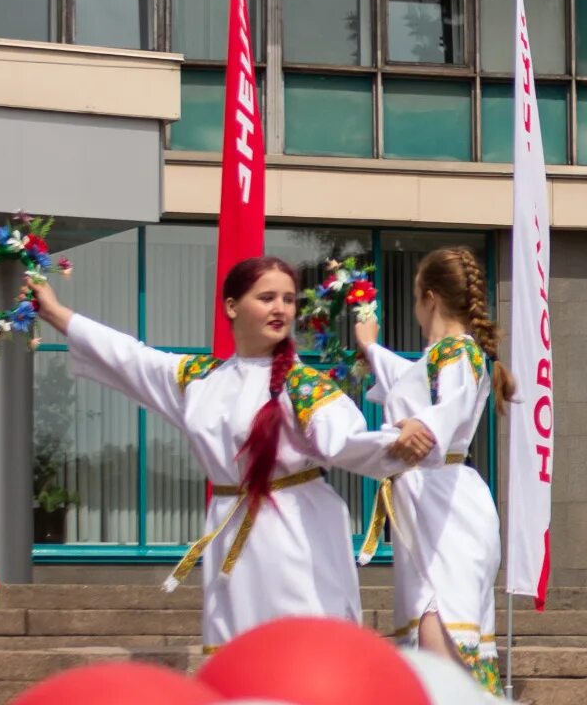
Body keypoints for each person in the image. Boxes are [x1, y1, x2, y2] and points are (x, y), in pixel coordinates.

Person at [30, 257, 437, 651]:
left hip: (295, 532)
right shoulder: (201, 379)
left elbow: (345, 441)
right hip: (233, 529)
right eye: (267, 298)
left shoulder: (304, 385)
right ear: (231, 306)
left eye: (289, 299)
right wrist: (56, 314)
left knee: (299, 642)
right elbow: (129, 357)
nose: (280, 308)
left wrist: (395, 441)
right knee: (237, 646)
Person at [351, 247, 511, 691]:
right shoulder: (445, 355)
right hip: (432, 504)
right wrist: (369, 347)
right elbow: (408, 379)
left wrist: (421, 427)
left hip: (445, 506)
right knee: (433, 624)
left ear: (430, 298)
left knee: (442, 624)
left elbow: (449, 405)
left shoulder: (457, 352)